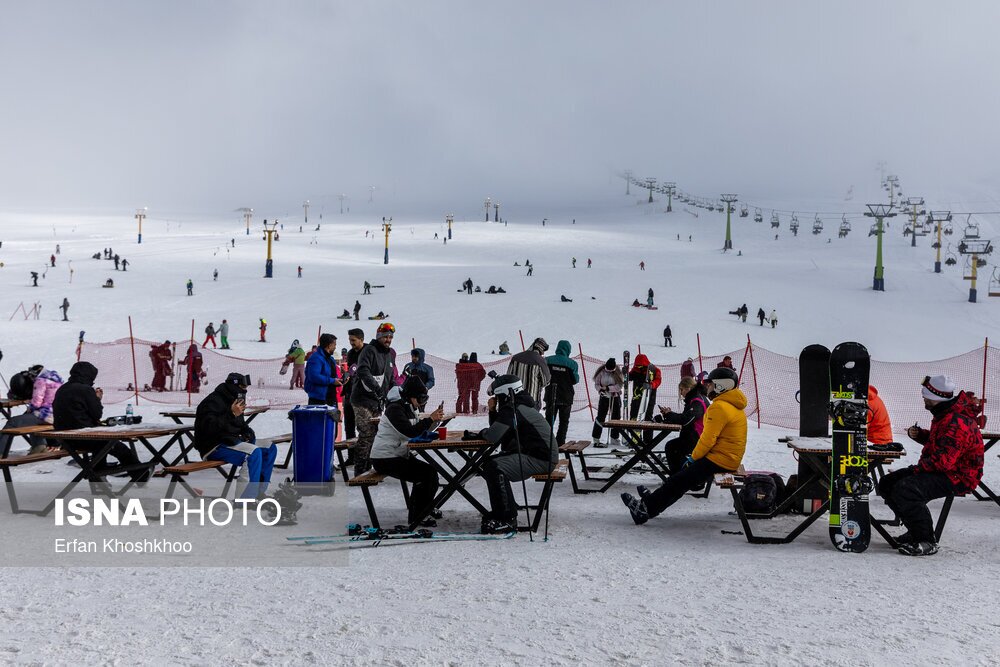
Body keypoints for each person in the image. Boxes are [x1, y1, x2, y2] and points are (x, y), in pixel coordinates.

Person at [621, 366, 747, 524]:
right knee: (680, 476)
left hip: (720, 459)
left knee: (680, 479)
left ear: (722, 385)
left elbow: (707, 439)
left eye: (711, 384)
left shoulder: (720, 407)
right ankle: (652, 500)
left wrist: (693, 458)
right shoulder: (733, 405)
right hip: (727, 458)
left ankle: (645, 510)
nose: (708, 387)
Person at [877, 375, 984, 556]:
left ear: (937, 397)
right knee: (888, 483)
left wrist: (915, 470)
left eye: (926, 396)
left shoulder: (956, 421)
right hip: (946, 469)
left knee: (907, 489)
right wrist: (921, 435)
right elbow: (943, 444)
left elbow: (943, 461)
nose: (923, 398)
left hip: (959, 476)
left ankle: (926, 540)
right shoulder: (945, 414)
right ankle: (915, 530)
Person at [475, 374, 558, 534]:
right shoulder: (519, 405)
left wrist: (484, 430)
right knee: (489, 463)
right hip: (539, 455)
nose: (498, 400)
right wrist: (492, 412)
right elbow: (500, 430)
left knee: (494, 467)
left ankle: (507, 518)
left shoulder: (513, 408)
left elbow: (493, 436)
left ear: (506, 393)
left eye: (499, 397)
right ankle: (501, 511)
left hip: (541, 459)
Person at [52, 361, 148, 481]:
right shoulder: (86, 390)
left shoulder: (62, 388)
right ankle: (140, 475)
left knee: (103, 445)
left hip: (65, 439)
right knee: (115, 446)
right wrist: (97, 399)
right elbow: (97, 414)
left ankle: (98, 475)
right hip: (82, 437)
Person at [370, 375, 445, 527]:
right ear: (411, 396)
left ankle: (424, 508)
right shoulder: (395, 409)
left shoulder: (408, 407)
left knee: (430, 473)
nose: (422, 403)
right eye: (421, 399)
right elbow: (409, 432)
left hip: (397, 453)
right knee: (425, 475)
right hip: (384, 458)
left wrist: (433, 423)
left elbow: (417, 430)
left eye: (425, 399)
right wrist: (430, 419)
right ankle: (417, 515)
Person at [195, 373, 277, 500]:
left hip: (231, 441)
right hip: (213, 446)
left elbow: (239, 423)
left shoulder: (234, 399)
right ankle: (245, 500)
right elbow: (209, 428)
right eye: (242, 387)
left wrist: (247, 431)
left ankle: (258, 492)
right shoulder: (212, 401)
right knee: (253, 453)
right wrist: (232, 413)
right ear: (233, 386)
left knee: (269, 448)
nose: (245, 391)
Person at [350, 322, 396, 475]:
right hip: (362, 399)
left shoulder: (388, 355)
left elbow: (390, 378)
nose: (388, 340)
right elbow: (363, 371)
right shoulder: (369, 350)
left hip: (377, 401)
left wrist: (396, 392)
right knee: (366, 434)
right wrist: (377, 389)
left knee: (376, 434)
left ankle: (369, 467)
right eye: (385, 337)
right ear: (379, 336)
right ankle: (360, 471)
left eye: (390, 337)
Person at [0, 366, 62, 455]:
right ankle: (39, 446)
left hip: (46, 416)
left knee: (12, 422)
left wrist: (30, 404)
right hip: (57, 414)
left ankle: (1, 452)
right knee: (28, 419)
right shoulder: (55, 378)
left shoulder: (40, 381)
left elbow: (36, 403)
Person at [654, 377, 710, 473]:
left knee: (672, 447)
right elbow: (686, 418)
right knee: (673, 447)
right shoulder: (695, 398)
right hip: (696, 436)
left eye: (681, 390)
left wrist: (670, 415)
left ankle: (678, 476)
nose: (680, 393)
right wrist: (669, 415)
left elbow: (686, 420)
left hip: (698, 438)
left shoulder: (697, 401)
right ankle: (679, 475)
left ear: (688, 388)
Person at [544, 340, 579, 446]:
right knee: (564, 421)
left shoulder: (547, 360)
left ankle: (547, 442)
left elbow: (544, 376)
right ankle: (560, 442)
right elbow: (575, 380)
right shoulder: (572, 364)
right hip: (566, 396)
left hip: (551, 394)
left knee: (549, 420)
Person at [506, 337, 551, 409]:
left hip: (515, 398)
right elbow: (546, 381)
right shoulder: (541, 361)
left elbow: (508, 377)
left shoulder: (516, 358)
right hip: (532, 399)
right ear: (541, 349)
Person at [591, 358, 624, 447]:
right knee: (601, 416)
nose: (609, 371)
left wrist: (608, 388)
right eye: (607, 369)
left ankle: (614, 437)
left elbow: (619, 385)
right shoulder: (601, 372)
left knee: (616, 417)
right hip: (604, 397)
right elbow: (597, 384)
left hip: (614, 397)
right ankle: (596, 438)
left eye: (611, 370)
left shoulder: (618, 373)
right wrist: (600, 390)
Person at [304, 333, 341, 405]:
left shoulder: (331, 359)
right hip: (318, 399)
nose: (335, 347)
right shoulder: (316, 358)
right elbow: (314, 377)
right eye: (334, 345)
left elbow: (332, 375)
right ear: (329, 345)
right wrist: (332, 381)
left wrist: (340, 381)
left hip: (331, 397)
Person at [628, 354, 661, 421]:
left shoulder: (654, 370)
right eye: (637, 366)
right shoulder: (635, 370)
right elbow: (630, 376)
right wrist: (625, 374)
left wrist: (651, 385)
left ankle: (647, 426)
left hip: (649, 398)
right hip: (636, 398)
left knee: (647, 417)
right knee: (633, 416)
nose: (639, 367)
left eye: (640, 366)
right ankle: (632, 426)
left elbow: (658, 380)